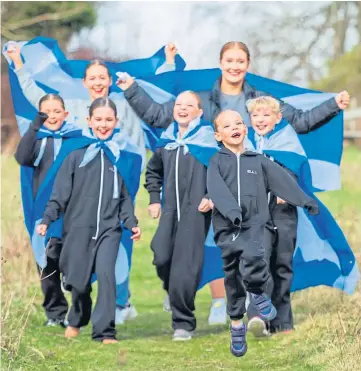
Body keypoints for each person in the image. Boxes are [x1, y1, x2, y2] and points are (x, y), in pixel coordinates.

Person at [117, 40, 350, 325]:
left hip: (254, 182)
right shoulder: (202, 97)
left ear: (247, 65)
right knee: (203, 245)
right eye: (229, 61)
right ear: (221, 63)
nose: (235, 66)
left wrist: (334, 105)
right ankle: (206, 297)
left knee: (256, 247)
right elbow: (157, 115)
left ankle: (254, 307)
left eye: (240, 61)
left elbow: (300, 121)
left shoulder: (262, 98)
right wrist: (131, 89)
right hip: (214, 180)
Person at [7, 42, 177, 324]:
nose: (98, 82)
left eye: (103, 77)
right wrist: (18, 63)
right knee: (78, 239)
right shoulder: (73, 108)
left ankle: (122, 302)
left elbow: (161, 95)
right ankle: (77, 290)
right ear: (84, 82)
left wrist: (169, 61)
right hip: (85, 185)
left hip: (123, 178)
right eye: (93, 78)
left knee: (120, 237)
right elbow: (39, 98)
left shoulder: (127, 101)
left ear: (110, 81)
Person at [207, 109, 319, 356]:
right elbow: (216, 190)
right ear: (218, 135)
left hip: (256, 225)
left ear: (245, 130)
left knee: (255, 256)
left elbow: (283, 181)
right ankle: (237, 322)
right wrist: (231, 211)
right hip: (227, 228)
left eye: (238, 123)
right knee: (233, 276)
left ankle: (257, 293)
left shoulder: (257, 160)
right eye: (227, 126)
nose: (234, 127)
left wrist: (305, 200)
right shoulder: (216, 162)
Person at [36, 97, 141, 343]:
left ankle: (105, 331)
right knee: (78, 282)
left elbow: (124, 197)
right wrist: (47, 219)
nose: (103, 124)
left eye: (108, 120)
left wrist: (131, 223)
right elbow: (59, 194)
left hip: (110, 229)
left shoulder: (119, 156)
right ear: (89, 121)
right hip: (78, 229)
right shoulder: (75, 155)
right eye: (98, 119)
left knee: (106, 276)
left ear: (116, 122)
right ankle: (77, 318)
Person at [144, 91, 218, 341]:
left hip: (196, 213)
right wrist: (154, 199)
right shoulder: (167, 140)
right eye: (178, 104)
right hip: (170, 211)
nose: (183, 108)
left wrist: (211, 196)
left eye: (189, 105)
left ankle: (183, 324)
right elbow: (153, 172)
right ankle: (172, 291)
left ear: (199, 112)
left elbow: (222, 173)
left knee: (185, 268)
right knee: (161, 255)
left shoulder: (208, 141)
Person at [14, 93, 82, 328]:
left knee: (68, 256)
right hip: (42, 211)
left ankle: (73, 291)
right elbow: (21, 157)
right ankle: (55, 313)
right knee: (46, 260)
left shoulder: (77, 139)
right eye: (46, 112)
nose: (51, 116)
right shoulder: (35, 140)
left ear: (65, 114)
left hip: (72, 209)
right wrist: (35, 126)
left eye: (56, 111)